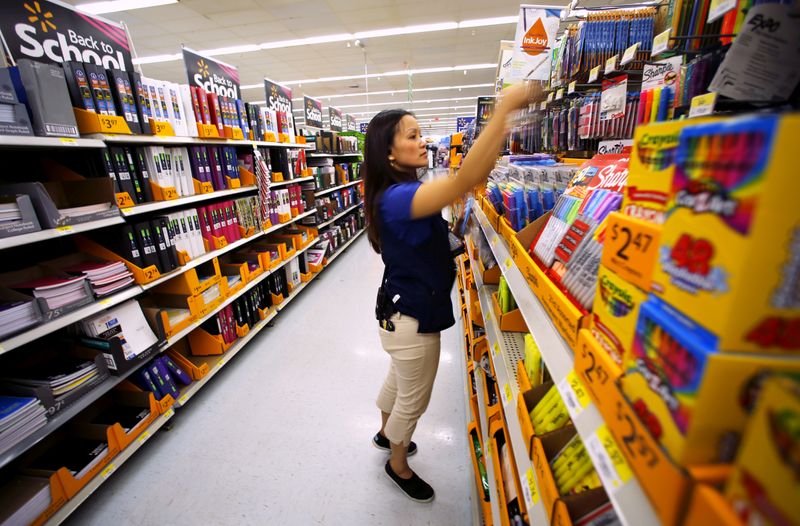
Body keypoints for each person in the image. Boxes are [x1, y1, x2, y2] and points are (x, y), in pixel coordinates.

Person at [363, 82, 541, 502]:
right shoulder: (399, 197)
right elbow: (468, 179)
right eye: (412, 135)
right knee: (414, 398)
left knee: (398, 379)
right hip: (413, 319)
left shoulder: (392, 194)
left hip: (397, 312)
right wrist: (504, 111)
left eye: (419, 132)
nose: (422, 140)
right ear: (390, 153)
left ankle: (385, 435)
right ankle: (398, 463)